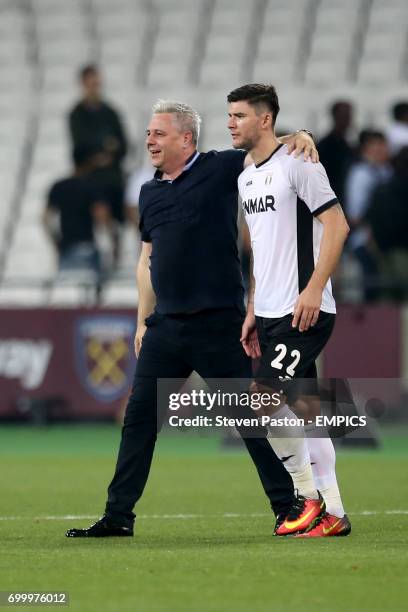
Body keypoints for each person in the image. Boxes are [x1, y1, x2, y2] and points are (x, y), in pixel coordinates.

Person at [66, 100, 324, 539]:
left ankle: (288, 506)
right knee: (139, 421)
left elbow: (265, 149)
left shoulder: (219, 168)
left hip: (218, 325)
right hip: (166, 326)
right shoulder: (149, 192)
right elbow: (146, 261)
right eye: (148, 133)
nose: (149, 140)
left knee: (250, 419)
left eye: (158, 133)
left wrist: (300, 135)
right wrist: (142, 321)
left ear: (186, 138)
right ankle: (118, 516)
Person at [228, 83, 351, 537]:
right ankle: (334, 514)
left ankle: (307, 498)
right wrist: (252, 308)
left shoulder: (299, 162)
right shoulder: (245, 176)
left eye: (239, 115)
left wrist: (315, 288)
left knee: (260, 400)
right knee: (305, 410)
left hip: (306, 309)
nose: (230, 124)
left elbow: (338, 226)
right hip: (271, 311)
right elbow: (262, 250)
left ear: (265, 119)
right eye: (229, 115)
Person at [68, 65, 128, 260]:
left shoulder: (110, 112)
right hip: (89, 175)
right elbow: (80, 147)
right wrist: (104, 148)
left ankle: (117, 246)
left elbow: (123, 145)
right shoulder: (76, 114)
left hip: (112, 176)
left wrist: (105, 151)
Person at [44, 146, 110, 277]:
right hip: (86, 247)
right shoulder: (93, 186)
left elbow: (45, 218)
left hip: (65, 248)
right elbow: (102, 216)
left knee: (67, 293)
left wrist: (56, 242)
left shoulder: (59, 186)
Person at [345, 130, 392, 301]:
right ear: (366, 150)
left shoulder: (388, 172)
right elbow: (355, 214)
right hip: (366, 240)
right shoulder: (361, 174)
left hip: (387, 240)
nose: (383, 151)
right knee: (370, 287)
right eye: (378, 147)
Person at [366, 146, 408, 300]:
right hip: (402, 250)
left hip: (382, 251)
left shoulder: (382, 188)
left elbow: (373, 218)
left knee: (386, 296)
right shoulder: (394, 189)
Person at [317, 100, 356, 205]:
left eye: (349, 115)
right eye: (344, 115)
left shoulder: (349, 143)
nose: (347, 119)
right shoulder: (325, 145)